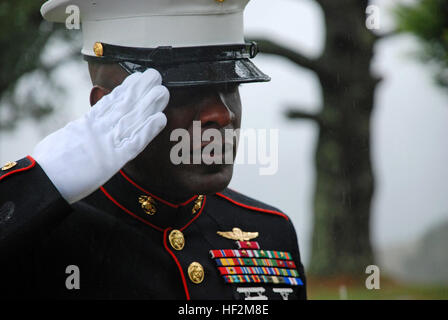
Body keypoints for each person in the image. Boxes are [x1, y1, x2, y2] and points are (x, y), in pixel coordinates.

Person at [0, 0, 307, 300]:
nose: (222, 115)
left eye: (230, 87)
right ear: (105, 105)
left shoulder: (270, 232)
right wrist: (35, 185)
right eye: (188, 90)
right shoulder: (39, 238)